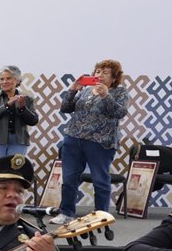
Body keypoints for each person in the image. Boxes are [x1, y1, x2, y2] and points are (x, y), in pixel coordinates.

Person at [50, 59, 130, 225]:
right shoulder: (86, 90)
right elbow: (65, 108)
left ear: (114, 78)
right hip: (73, 139)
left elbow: (120, 113)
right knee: (69, 178)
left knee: (100, 180)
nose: (99, 75)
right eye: (98, 72)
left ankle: (101, 215)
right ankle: (66, 213)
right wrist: (72, 90)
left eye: (105, 73)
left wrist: (106, 96)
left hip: (100, 143)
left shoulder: (119, 92)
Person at [0, 65, 38, 164]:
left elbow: (33, 121)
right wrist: (7, 105)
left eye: (8, 78)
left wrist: (22, 108)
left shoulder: (26, 98)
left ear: (17, 80)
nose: (4, 82)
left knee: (14, 173)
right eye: (1, 79)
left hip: (19, 141)